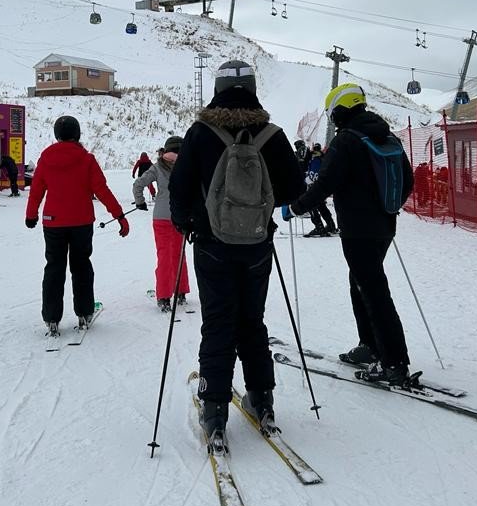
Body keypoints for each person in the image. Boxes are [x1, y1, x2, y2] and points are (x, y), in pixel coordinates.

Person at [170, 59, 303, 445]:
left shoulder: (200, 132)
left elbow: (179, 188)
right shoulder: (271, 133)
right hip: (257, 246)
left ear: (217, 88)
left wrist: (188, 222)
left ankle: (214, 409)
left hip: (212, 246)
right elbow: (294, 188)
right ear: (252, 87)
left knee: (217, 321)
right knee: (252, 321)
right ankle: (262, 400)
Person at [289, 83, 415, 385]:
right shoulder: (387, 136)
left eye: (333, 115)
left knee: (373, 290)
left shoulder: (347, 141)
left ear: (341, 110)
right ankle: (369, 346)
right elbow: (408, 179)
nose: (333, 120)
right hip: (384, 226)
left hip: (358, 230)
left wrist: (297, 207)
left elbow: (325, 183)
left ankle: (394, 361)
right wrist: (388, 207)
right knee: (361, 282)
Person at [25, 115, 129, 334]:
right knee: (81, 266)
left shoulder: (46, 158)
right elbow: (102, 190)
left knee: (54, 267)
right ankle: (84, 312)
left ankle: (51, 318)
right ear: (77, 134)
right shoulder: (86, 159)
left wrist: (31, 214)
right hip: (81, 222)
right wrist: (119, 215)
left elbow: (36, 190)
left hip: (52, 222)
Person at [133, 135, 189, 312]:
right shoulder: (188, 165)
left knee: (164, 255)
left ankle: (164, 296)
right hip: (182, 217)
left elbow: (138, 184)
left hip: (161, 218)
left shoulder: (157, 167)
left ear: (165, 150)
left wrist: (140, 201)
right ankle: (180, 292)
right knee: (179, 255)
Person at [304, 143, 338, 237]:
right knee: (322, 207)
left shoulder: (315, 160)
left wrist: (305, 181)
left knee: (312, 207)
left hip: (315, 186)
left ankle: (319, 227)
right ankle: (331, 225)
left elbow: (313, 175)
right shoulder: (323, 158)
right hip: (322, 187)